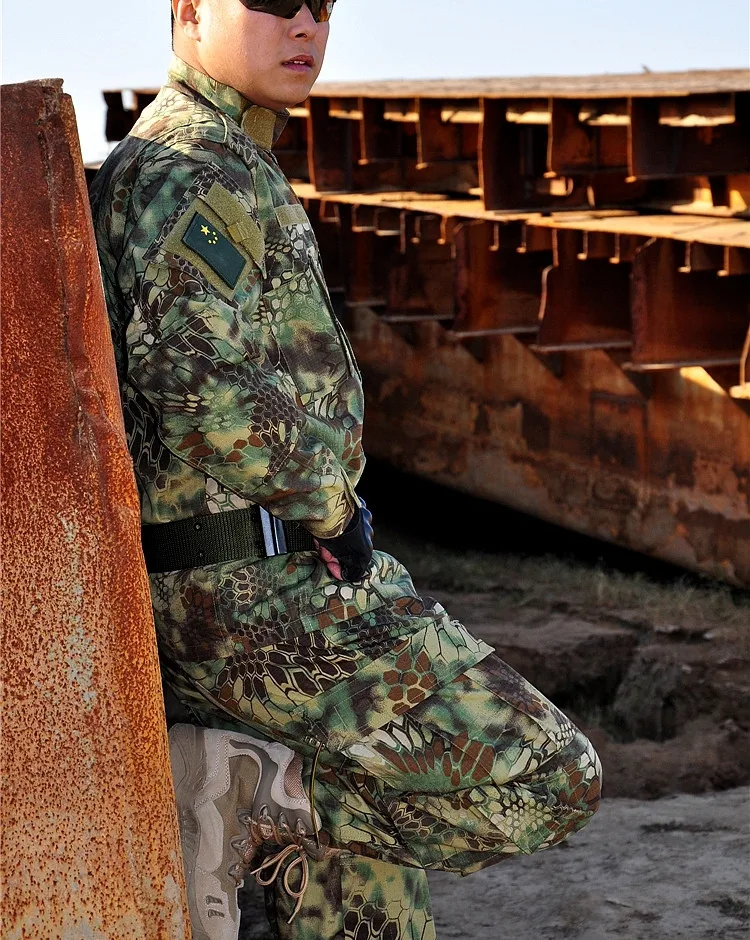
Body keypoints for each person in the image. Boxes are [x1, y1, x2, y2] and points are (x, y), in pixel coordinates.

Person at [89, 1, 602, 938]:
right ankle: (242, 793)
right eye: (274, 0)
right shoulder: (194, 165)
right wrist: (331, 507)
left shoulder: (207, 155)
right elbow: (198, 381)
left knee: (365, 899)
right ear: (190, 10)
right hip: (260, 594)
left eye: (323, 3)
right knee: (549, 774)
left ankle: (261, 794)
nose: (306, 25)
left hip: (225, 582)